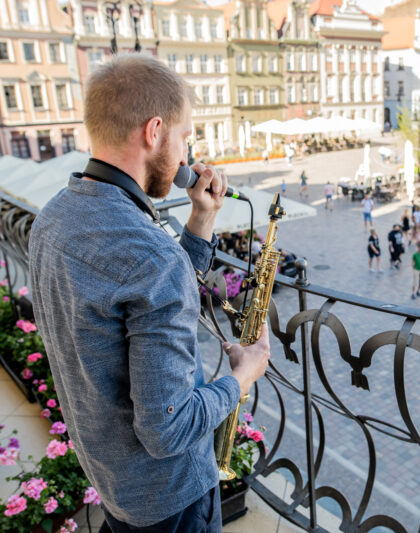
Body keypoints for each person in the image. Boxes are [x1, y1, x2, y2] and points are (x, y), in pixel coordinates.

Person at [28, 55, 270, 532]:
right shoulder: (150, 255)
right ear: (154, 131)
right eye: (185, 137)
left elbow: (154, 292)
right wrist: (242, 378)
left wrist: (202, 218)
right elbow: (169, 430)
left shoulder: (53, 218)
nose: (186, 157)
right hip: (171, 499)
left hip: (115, 481)